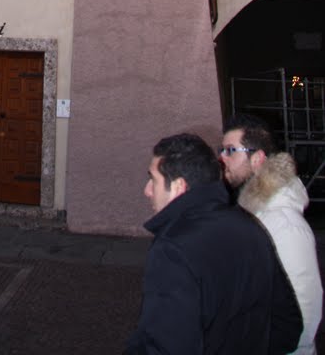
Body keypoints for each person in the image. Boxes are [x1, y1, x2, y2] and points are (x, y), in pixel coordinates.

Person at [125, 132, 302, 354]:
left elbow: (165, 345)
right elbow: (287, 329)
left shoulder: (173, 249)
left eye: (153, 179)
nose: (147, 190)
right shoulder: (251, 228)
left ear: (179, 186)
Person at [220, 113, 323, 355]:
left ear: (257, 159)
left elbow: (304, 310)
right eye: (222, 150)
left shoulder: (285, 224)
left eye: (230, 150)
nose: (222, 158)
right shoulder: (253, 214)